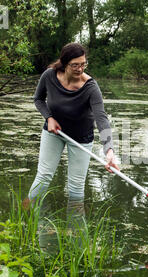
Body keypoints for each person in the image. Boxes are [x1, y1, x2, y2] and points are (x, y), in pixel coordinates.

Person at [23, 43, 119, 211]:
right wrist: (49, 117)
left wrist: (109, 150)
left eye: (83, 64)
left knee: (76, 187)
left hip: (81, 138)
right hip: (54, 132)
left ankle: (75, 230)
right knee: (43, 176)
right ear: (64, 63)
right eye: (75, 65)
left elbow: (101, 118)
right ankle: (23, 216)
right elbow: (38, 99)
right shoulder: (49, 76)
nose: (80, 69)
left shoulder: (91, 87)